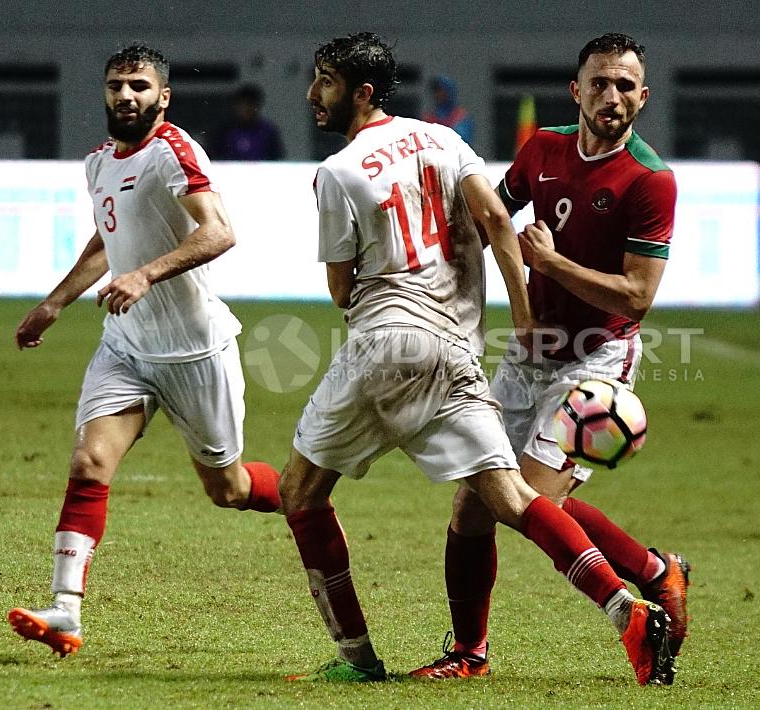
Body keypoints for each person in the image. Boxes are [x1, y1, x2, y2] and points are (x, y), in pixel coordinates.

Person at [281, 32, 674, 686]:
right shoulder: (442, 138)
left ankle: (357, 660)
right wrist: (521, 315)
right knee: (500, 501)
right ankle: (622, 610)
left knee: (301, 491)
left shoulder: (337, 172)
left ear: (361, 91)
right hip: (458, 350)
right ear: (576, 90)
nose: (312, 94)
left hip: (389, 345)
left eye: (322, 80)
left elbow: (343, 289)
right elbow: (497, 219)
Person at [408, 33, 689, 681]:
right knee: (475, 501)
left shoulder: (650, 181)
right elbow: (489, 221)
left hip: (599, 356)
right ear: (577, 89)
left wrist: (552, 264)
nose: (611, 95)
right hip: (532, 350)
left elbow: (639, 296)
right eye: (600, 82)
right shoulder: (542, 149)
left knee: (532, 498)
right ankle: (470, 654)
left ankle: (639, 602)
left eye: (625, 86)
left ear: (642, 98)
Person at [6, 44, 283, 657]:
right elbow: (108, 241)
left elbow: (221, 231)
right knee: (88, 464)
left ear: (163, 97)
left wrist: (148, 274)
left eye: (138, 86)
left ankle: (305, 496)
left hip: (194, 352)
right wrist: (55, 302)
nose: (125, 96)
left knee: (229, 488)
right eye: (115, 86)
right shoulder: (98, 162)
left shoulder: (173, 152)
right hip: (126, 347)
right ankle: (66, 611)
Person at [215, 84, 286, 160]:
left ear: (257, 106)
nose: (247, 109)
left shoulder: (268, 131)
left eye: (251, 104)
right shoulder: (225, 130)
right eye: (243, 105)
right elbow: (217, 157)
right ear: (237, 106)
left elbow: (276, 157)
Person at [422, 75, 474, 144]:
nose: (437, 95)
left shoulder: (461, 116)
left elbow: (462, 139)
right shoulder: (430, 118)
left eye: (440, 91)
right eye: (435, 91)